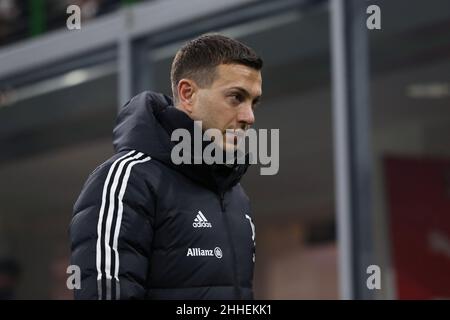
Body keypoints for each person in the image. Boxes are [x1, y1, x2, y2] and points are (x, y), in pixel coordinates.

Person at [69, 34, 263, 300]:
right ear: (188, 94)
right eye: (235, 97)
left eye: (254, 102)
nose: (249, 117)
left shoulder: (236, 197)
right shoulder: (127, 180)